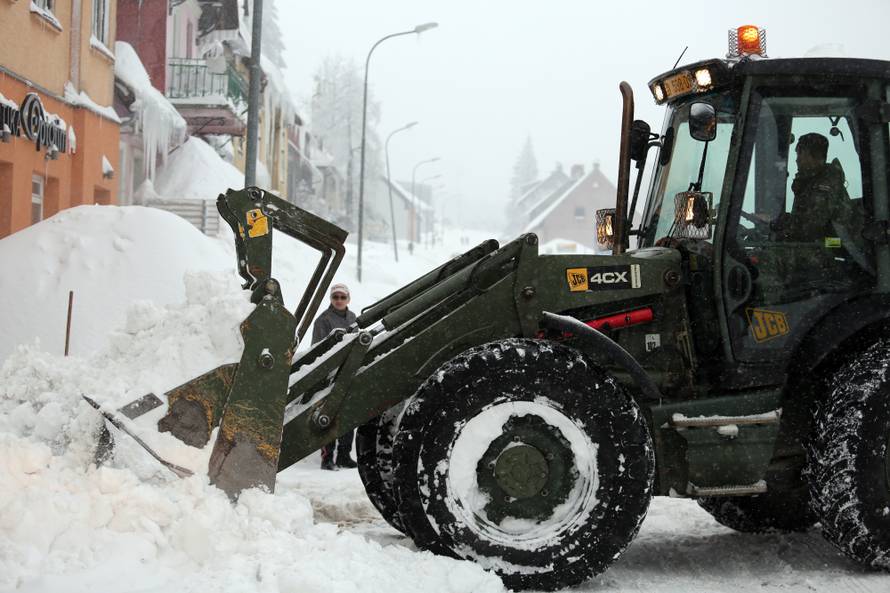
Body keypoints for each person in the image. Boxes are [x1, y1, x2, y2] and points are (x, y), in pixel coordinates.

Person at [312, 282, 358, 470]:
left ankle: (344, 456)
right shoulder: (322, 320)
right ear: (331, 299)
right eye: (335, 297)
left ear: (348, 299)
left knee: (348, 414)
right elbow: (318, 348)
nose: (339, 300)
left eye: (342, 297)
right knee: (329, 414)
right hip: (330, 374)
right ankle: (327, 457)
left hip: (347, 371)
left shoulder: (353, 318)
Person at [772, 132, 849, 242]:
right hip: (821, 242)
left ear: (813, 155)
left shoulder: (825, 185)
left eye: (800, 154)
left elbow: (812, 226)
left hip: (834, 244)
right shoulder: (811, 181)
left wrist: (779, 222)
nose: (797, 159)